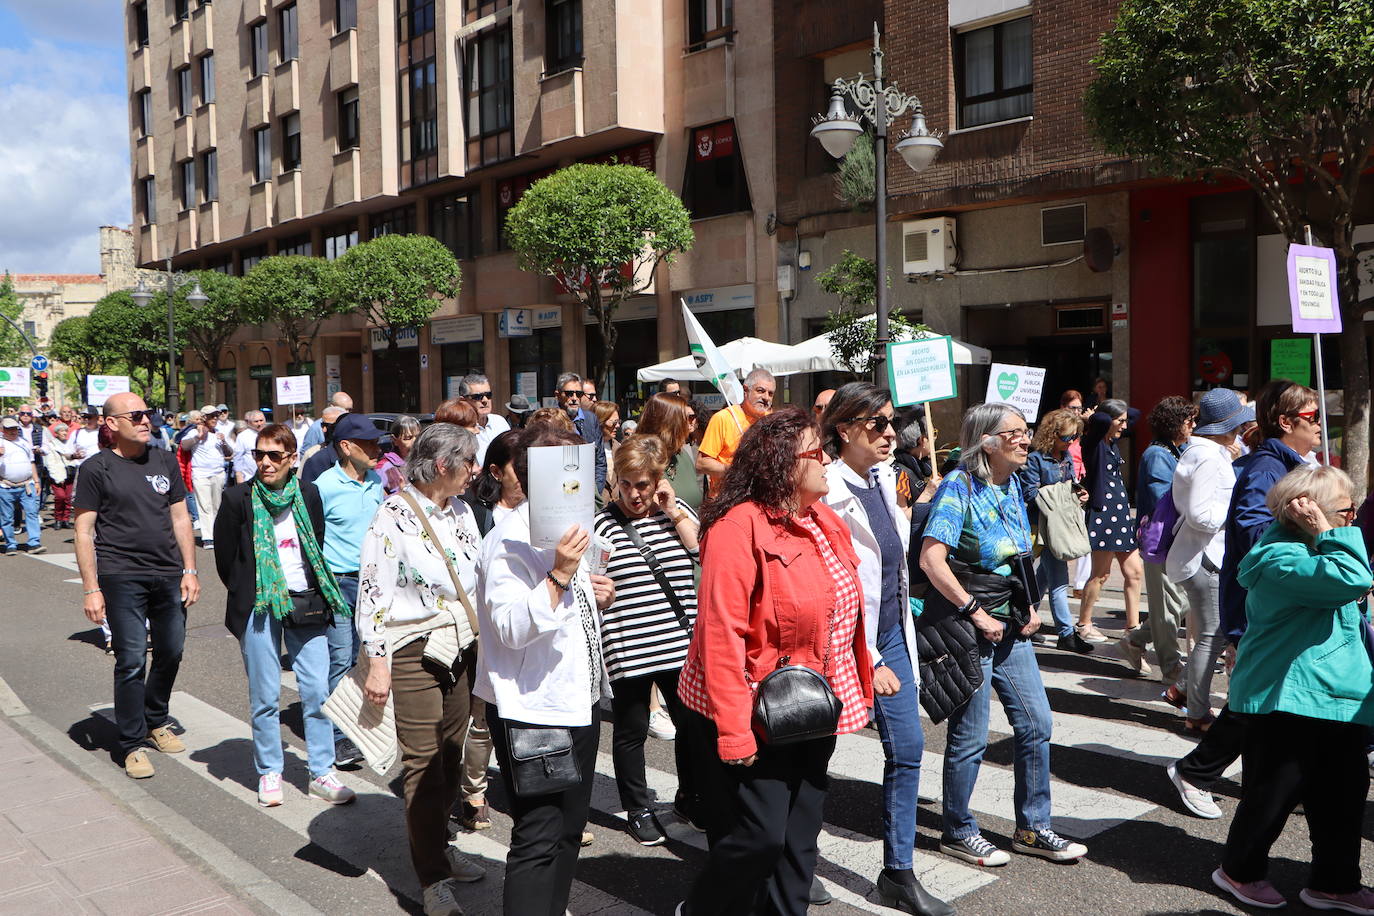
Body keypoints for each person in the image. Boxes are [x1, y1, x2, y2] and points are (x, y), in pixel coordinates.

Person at [676, 407, 872, 916]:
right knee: (759, 839)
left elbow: (842, 606)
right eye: (817, 452)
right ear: (783, 464)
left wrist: (871, 663)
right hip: (752, 710)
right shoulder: (737, 528)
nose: (828, 459)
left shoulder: (826, 521)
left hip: (810, 706)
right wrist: (735, 731)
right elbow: (721, 635)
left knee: (799, 843)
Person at [920, 403, 1087, 868]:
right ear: (986, 441)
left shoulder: (1011, 483)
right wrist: (975, 612)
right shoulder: (960, 485)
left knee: (1037, 723)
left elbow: (1016, 555)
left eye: (1025, 430)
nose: (1024, 438)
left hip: (1011, 623)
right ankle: (957, 830)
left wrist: (1030, 605)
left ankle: (1033, 828)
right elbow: (932, 560)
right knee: (970, 736)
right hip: (969, 625)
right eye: (1012, 432)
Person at [1210, 464, 1374, 914]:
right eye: (1346, 510)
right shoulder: (1282, 557)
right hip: (1288, 694)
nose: (1353, 519)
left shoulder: (1318, 549)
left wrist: (1328, 532)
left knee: (1342, 795)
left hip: (1337, 694)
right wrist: (1326, 530)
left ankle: (1335, 883)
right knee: (1272, 794)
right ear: (1309, 512)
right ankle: (1238, 871)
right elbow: (1354, 581)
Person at [819, 385, 953, 916]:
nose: (891, 433)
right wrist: (866, 659)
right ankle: (796, 855)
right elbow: (830, 588)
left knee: (909, 747)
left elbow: (895, 560)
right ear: (845, 429)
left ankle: (898, 871)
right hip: (843, 643)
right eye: (877, 424)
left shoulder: (884, 479)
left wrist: (923, 507)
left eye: (891, 422)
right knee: (815, 753)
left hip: (891, 633)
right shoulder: (824, 490)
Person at [476, 425, 617, 916]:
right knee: (538, 836)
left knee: (570, 831)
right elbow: (511, 628)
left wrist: (593, 594)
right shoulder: (506, 541)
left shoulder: (568, 534)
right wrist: (559, 574)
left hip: (579, 699)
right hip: (533, 709)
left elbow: (568, 618)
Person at [1167, 379, 1321, 819]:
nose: (1319, 426)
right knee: (1257, 691)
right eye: (1312, 418)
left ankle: (1261, 782)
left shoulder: (1280, 462)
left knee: (1269, 692)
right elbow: (1250, 528)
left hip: (1267, 595)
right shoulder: (1265, 467)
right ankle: (1197, 770)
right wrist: (1307, 531)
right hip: (1257, 596)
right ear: (1287, 422)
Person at [358, 424, 489, 916]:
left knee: (452, 755)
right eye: (468, 462)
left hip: (460, 644)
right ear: (441, 466)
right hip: (412, 649)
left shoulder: (461, 510)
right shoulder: (392, 515)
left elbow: (476, 576)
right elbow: (373, 593)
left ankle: (439, 844)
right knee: (423, 763)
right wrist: (377, 663)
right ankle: (431, 877)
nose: (474, 471)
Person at [213, 423, 356, 808]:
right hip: (258, 606)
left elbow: (318, 543)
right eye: (259, 455)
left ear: (292, 459)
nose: (265, 463)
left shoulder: (308, 494)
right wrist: (254, 590)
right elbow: (226, 561)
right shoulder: (236, 499)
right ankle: (270, 772)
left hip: (306, 601)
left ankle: (322, 772)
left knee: (317, 691)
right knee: (264, 695)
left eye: (274, 455)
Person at [74, 393, 200, 779]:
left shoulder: (164, 459)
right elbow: (83, 530)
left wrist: (190, 569)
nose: (147, 420)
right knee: (130, 659)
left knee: (171, 650)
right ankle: (130, 743)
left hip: (167, 573)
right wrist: (91, 588)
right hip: (120, 575)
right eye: (137, 415)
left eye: (149, 414)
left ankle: (155, 718)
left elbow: (180, 518)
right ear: (111, 424)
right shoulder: (97, 469)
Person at [592, 435, 702, 846]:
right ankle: (637, 808)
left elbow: (704, 555)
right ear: (616, 481)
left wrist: (673, 510)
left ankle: (690, 797)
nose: (636, 494)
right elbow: (590, 587)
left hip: (679, 642)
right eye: (628, 484)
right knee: (632, 729)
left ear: (657, 480)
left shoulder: (675, 514)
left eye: (644, 484)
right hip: (629, 645)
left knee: (691, 726)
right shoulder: (600, 526)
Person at [1161, 389, 1251, 733]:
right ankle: (1196, 712)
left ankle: (1183, 691)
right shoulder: (1210, 457)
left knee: (1215, 633)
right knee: (1214, 634)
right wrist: (1236, 513)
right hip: (1204, 555)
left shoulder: (1201, 452)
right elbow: (1200, 513)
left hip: (1199, 554)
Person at [454, 428, 524, 833]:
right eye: (521, 467)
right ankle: (474, 792)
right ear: (497, 472)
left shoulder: (543, 511)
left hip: (531, 625)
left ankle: (532, 791)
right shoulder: (477, 514)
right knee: (483, 714)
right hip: (486, 626)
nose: (528, 475)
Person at [314, 413, 387, 768]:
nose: (378, 448)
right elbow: (312, 538)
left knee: (373, 656)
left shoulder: (377, 481)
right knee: (342, 658)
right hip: (339, 583)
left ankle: (369, 727)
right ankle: (342, 739)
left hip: (374, 585)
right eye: (370, 443)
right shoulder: (322, 486)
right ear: (346, 447)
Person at [1124, 396, 1195, 684]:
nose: (1193, 426)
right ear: (1174, 424)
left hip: (1176, 538)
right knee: (1168, 605)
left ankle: (1134, 641)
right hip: (1162, 540)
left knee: (1182, 602)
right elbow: (1163, 498)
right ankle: (1170, 666)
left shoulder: (1176, 450)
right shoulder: (1157, 455)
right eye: (1189, 421)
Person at [1018, 408, 1092, 653]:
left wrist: (1078, 492)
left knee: (1044, 579)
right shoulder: (1036, 458)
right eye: (1066, 437)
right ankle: (1066, 633)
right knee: (1059, 581)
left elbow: (1069, 483)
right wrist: (1061, 493)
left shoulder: (1066, 455)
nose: (1070, 442)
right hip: (1040, 524)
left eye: (1074, 437)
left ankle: (1026, 622)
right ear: (1052, 434)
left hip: (1059, 523)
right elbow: (1029, 493)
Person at [1076, 398, 1143, 644]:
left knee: (1134, 572)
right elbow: (1104, 419)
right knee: (1100, 575)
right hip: (1104, 514)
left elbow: (1135, 414)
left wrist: (1117, 413)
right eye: (1120, 421)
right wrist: (1092, 418)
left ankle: (1132, 627)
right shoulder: (1093, 442)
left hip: (1121, 516)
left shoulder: (1111, 441)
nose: (1125, 425)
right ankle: (1084, 623)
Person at [696, 368, 775, 492]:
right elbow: (702, 464)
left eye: (770, 394)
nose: (766, 397)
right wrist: (736, 470)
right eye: (760, 391)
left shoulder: (772, 422)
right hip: (727, 499)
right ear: (745, 390)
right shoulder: (723, 418)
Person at [635, 392, 704, 513]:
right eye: (688, 417)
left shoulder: (682, 454)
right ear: (670, 422)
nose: (693, 421)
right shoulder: (643, 460)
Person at [178, 405, 235, 549]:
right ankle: (208, 538)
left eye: (216, 416)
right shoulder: (194, 431)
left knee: (217, 506)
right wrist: (198, 437)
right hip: (200, 474)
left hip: (218, 474)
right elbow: (183, 445)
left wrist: (223, 441)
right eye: (211, 416)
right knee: (205, 506)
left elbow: (229, 453)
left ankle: (217, 534)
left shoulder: (218, 433)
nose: (215, 419)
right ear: (204, 418)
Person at [555, 371, 606, 494]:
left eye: (578, 394)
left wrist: (595, 492)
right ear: (557, 395)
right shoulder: (550, 420)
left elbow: (600, 461)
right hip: (560, 491)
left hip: (589, 492)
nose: (574, 398)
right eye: (569, 394)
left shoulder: (591, 419)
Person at [0, 417, 42, 555]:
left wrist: (36, 481)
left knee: (32, 513)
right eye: (9, 429)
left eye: (14, 429)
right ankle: (10, 544)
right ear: (2, 430)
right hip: (6, 486)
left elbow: (31, 463)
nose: (12, 431)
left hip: (26, 484)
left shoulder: (24, 443)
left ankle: (34, 543)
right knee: (7, 517)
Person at [460, 374, 511, 467]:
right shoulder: (460, 429)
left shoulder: (500, 421)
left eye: (488, 395)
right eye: (477, 397)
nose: (485, 400)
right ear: (463, 401)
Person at [300, 406, 349, 481]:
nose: (324, 430)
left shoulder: (356, 451)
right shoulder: (312, 455)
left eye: (328, 426)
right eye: (322, 425)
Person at [43, 420, 76, 530]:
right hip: (57, 476)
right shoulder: (52, 446)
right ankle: (58, 519)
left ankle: (65, 520)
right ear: (56, 433)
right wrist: (58, 477)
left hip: (69, 474)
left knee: (67, 498)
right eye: (62, 431)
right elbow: (50, 463)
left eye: (66, 431)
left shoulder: (70, 444)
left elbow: (73, 458)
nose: (64, 433)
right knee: (60, 497)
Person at [376, 415, 420, 495]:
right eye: (408, 438)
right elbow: (379, 500)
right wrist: (401, 494)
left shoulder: (423, 462)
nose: (415, 442)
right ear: (394, 440)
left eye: (417, 437)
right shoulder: (385, 467)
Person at [301, 391, 353, 455]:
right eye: (343, 409)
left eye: (350, 410)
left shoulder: (352, 425)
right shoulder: (316, 428)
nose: (346, 413)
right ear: (332, 406)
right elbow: (306, 454)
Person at [232, 410, 267, 483]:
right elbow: (238, 457)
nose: (259, 423)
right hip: (249, 477)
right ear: (250, 423)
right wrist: (239, 475)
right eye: (256, 421)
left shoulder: (269, 434)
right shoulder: (243, 436)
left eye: (261, 420)